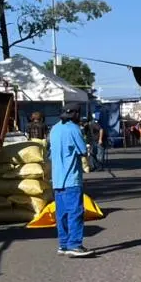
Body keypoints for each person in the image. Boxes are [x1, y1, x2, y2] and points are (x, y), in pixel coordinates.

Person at [49, 105, 95, 257]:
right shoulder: (74, 129)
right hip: (71, 179)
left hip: (57, 179)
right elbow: (82, 150)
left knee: (61, 214)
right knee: (75, 212)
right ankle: (75, 245)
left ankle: (63, 244)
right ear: (75, 115)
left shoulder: (54, 129)